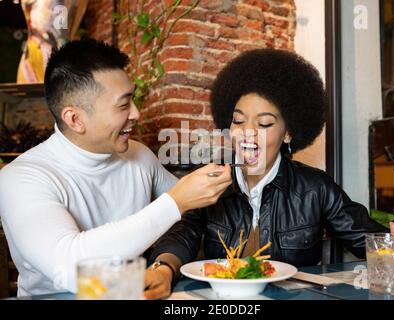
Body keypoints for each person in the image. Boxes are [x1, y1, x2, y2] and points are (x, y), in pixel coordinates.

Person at [147, 49, 394, 299]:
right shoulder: (210, 181)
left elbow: (364, 238)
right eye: (238, 121)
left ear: (289, 132)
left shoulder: (316, 188)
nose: (247, 134)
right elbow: (183, 234)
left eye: (264, 123)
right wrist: (163, 269)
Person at [0, 39, 232, 297]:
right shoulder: (21, 178)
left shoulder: (139, 155)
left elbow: (193, 211)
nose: (135, 114)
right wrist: (174, 203)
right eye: (123, 105)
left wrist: (164, 267)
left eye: (132, 100)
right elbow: (71, 270)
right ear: (75, 119)